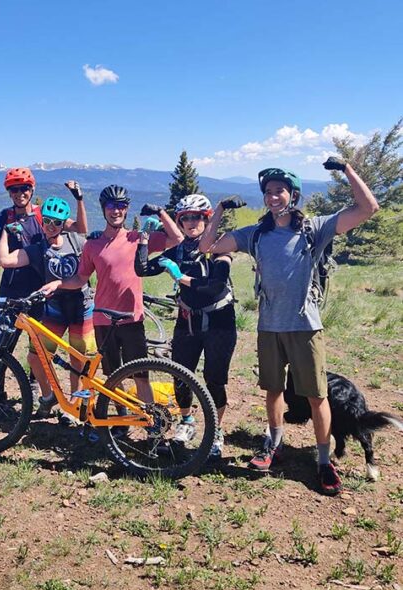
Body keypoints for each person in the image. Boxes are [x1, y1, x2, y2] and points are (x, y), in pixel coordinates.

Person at [199, 158, 379, 496]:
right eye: (268, 192)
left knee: (316, 395)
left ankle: (324, 463)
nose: (273, 196)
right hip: (269, 327)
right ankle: (275, 447)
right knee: (273, 392)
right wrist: (220, 208)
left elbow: (368, 207)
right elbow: (206, 246)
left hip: (305, 326)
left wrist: (348, 170)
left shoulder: (314, 228)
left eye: (279, 190)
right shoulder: (256, 234)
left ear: (292, 194)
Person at [41, 185, 183, 404]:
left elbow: (176, 238)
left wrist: (160, 212)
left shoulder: (138, 239)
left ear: (126, 209)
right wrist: (58, 284)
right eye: (110, 206)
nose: (115, 211)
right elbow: (80, 278)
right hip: (102, 320)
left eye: (120, 206)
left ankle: (150, 420)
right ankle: (121, 421)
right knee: (113, 376)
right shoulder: (92, 244)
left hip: (131, 319)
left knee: (141, 376)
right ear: (103, 209)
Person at [0, 169, 87, 403]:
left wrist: (79, 199)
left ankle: (36, 386)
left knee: (38, 349)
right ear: (9, 192)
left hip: (40, 295)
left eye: (24, 188)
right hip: (11, 293)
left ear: (32, 190)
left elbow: (79, 229)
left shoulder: (45, 214)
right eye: (14, 189)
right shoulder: (4, 216)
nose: (19, 193)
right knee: (1, 346)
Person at [134, 194, 238, 458]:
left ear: (206, 219)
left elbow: (214, 286)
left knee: (214, 380)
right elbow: (142, 269)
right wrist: (143, 240)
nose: (191, 222)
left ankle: (216, 430)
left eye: (197, 217)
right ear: (180, 222)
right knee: (181, 375)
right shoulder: (179, 250)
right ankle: (187, 421)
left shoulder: (219, 246)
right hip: (187, 320)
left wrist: (180, 276)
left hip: (219, 321)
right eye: (185, 218)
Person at [0, 193, 96, 421]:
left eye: (57, 223)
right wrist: (3, 231)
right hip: (54, 307)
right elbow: (5, 261)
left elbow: (91, 251)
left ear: (63, 225)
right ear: (42, 221)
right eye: (47, 221)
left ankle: (73, 404)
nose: (51, 226)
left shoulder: (76, 241)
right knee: (36, 357)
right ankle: (49, 395)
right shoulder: (37, 248)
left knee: (78, 359)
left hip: (81, 305)